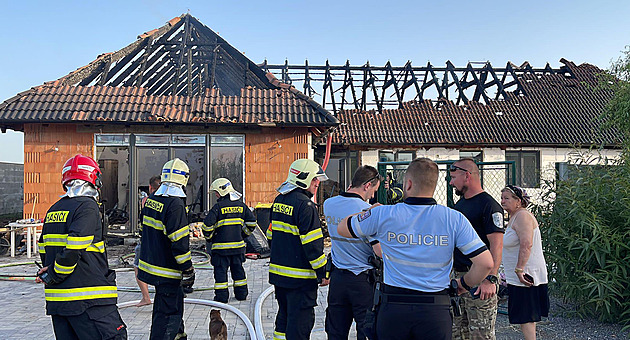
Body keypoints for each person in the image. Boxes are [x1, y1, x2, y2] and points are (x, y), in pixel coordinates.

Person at [338, 157, 494, 340]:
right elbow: (485, 263)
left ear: (408, 183)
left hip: (394, 309)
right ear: (434, 185)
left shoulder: (384, 214)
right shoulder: (454, 218)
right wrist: (463, 285)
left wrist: (368, 211)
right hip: (435, 310)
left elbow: (343, 228)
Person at [36, 154, 127, 339]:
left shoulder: (54, 209)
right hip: (88, 301)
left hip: (59, 303)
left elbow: (43, 249)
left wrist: (50, 274)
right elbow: (74, 247)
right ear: (93, 178)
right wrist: (54, 274)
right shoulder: (87, 207)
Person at [267, 158, 330, 340]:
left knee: (283, 320)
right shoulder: (306, 206)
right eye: (314, 179)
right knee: (299, 326)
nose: (317, 183)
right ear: (303, 179)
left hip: (280, 277)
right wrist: (323, 273)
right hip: (300, 281)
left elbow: (271, 237)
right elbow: (313, 249)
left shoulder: (279, 201)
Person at [137, 158, 195, 340]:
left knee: (170, 308)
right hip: (168, 271)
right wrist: (188, 269)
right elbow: (179, 243)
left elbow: (143, 230)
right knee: (168, 317)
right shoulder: (176, 204)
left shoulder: (152, 200)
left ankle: (179, 336)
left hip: (151, 266)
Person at [323, 165, 383, 340]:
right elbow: (379, 252)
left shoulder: (329, 204)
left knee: (335, 331)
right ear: (367, 185)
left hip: (338, 280)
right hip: (362, 280)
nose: (372, 196)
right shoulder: (367, 211)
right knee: (366, 330)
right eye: (373, 190)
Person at [449, 159, 504, 340]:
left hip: (480, 283)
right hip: (459, 281)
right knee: (457, 334)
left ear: (467, 175)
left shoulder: (489, 205)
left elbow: (496, 244)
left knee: (480, 335)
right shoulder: (459, 206)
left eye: (454, 177)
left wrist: (490, 278)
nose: (451, 182)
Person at [500, 185, 549, 340]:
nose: (502, 201)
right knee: (524, 316)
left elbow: (526, 243)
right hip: (518, 274)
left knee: (527, 315)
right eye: (502, 198)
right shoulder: (514, 217)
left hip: (527, 273)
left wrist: (520, 269)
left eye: (506, 198)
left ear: (518, 201)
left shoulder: (523, 216)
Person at [202, 178, 257, 303]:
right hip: (238, 248)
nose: (215, 194)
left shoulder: (217, 208)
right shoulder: (241, 206)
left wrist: (210, 238)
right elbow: (252, 223)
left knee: (221, 273)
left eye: (216, 192)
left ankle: (222, 297)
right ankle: (241, 294)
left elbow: (206, 227)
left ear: (221, 192)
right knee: (238, 271)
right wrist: (242, 235)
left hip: (220, 250)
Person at [134, 175, 161, 307]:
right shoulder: (166, 202)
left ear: (151, 188)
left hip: (145, 240)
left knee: (138, 267)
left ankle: (146, 297)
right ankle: (160, 297)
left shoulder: (148, 202)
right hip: (159, 242)